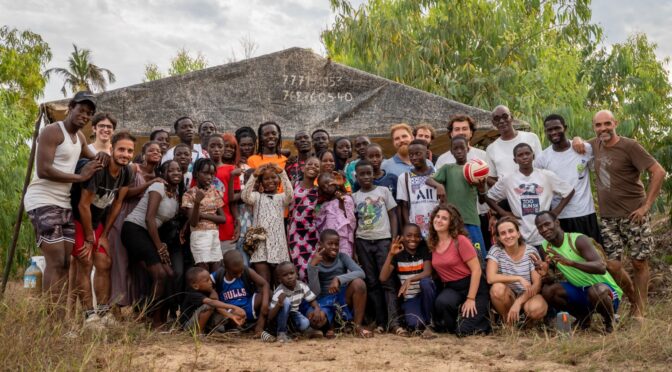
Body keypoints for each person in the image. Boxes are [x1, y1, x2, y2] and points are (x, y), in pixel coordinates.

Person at [573, 110, 666, 317]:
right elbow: (578, 143)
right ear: (594, 127)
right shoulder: (594, 145)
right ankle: (633, 299)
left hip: (634, 215)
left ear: (615, 123)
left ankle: (639, 311)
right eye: (598, 125)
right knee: (613, 265)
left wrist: (646, 206)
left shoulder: (630, 146)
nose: (603, 128)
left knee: (638, 262)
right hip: (608, 217)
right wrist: (577, 139)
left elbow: (658, 171)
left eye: (607, 123)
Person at [25, 91, 103, 307]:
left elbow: (95, 157)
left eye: (89, 113)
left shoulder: (79, 138)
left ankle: (60, 320)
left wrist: (107, 158)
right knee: (56, 260)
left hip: (63, 202)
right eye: (82, 110)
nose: (85, 115)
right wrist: (80, 176)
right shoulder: (53, 131)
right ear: (71, 107)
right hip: (42, 199)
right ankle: (51, 321)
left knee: (66, 262)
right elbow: (43, 170)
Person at [69, 131, 135, 325]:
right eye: (121, 149)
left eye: (130, 151)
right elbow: (83, 205)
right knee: (85, 261)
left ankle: (104, 312)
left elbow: (117, 204)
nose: (125, 154)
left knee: (105, 262)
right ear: (112, 149)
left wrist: (104, 234)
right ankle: (90, 316)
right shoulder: (99, 169)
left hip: (96, 222)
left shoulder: (127, 172)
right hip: (78, 219)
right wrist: (90, 238)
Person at [534, 211, 623, 332]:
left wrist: (572, 263)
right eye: (540, 227)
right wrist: (545, 274)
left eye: (547, 224)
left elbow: (601, 267)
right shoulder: (545, 248)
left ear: (557, 222)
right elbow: (552, 279)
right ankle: (584, 319)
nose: (544, 229)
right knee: (548, 290)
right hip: (581, 292)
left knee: (596, 291)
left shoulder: (577, 239)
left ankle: (610, 322)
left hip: (605, 292)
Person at [103, 141, 164, 308]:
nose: (156, 153)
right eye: (151, 150)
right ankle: (115, 304)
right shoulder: (133, 169)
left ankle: (136, 304)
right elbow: (124, 193)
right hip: (123, 215)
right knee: (120, 261)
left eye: (159, 151)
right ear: (143, 154)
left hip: (143, 222)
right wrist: (148, 184)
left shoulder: (159, 174)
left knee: (138, 266)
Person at [121, 160, 182, 327]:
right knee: (160, 274)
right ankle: (148, 317)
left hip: (149, 235)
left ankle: (160, 317)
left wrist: (162, 244)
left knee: (169, 274)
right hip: (134, 229)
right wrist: (159, 247)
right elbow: (149, 219)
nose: (176, 172)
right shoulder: (158, 187)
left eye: (179, 170)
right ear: (163, 174)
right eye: (171, 170)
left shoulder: (175, 196)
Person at [485, 143, 574, 250]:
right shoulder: (508, 179)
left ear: (533, 156)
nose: (525, 157)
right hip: (521, 235)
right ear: (515, 160)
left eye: (527, 153)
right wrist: (503, 213)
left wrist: (555, 212)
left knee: (548, 263)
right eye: (520, 155)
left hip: (545, 235)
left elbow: (569, 191)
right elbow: (489, 197)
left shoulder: (546, 175)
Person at [535, 114, 602, 243]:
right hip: (559, 217)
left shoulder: (583, 148)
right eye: (549, 130)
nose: (554, 132)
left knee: (595, 253)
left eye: (557, 128)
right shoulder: (542, 158)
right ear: (545, 132)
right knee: (567, 258)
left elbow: (598, 167)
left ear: (565, 128)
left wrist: (578, 139)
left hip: (585, 213)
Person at [352, 160, 402, 334]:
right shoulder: (354, 197)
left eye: (369, 173)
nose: (366, 177)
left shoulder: (384, 191)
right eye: (362, 174)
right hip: (363, 242)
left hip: (383, 241)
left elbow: (393, 214)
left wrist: (393, 238)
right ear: (356, 177)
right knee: (372, 283)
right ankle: (381, 322)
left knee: (387, 282)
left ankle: (394, 323)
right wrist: (354, 249)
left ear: (374, 174)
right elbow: (353, 223)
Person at [429, 205, 491, 336]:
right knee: (442, 302)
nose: (439, 220)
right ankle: (456, 323)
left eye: (444, 218)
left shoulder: (460, 240)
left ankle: (482, 321)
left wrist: (470, 298)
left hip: (474, 286)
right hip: (453, 287)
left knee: (463, 331)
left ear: (451, 223)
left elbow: (476, 270)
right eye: (437, 216)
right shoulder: (432, 242)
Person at [434, 114, 493, 250]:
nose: (461, 132)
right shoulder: (443, 160)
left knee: (478, 249)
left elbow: (487, 185)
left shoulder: (482, 156)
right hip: (454, 216)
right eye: (457, 129)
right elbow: (437, 183)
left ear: (471, 132)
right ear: (451, 133)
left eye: (465, 128)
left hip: (478, 213)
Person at [427, 136, 487, 262]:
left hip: (471, 220)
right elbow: (428, 179)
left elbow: (482, 201)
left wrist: (482, 189)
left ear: (468, 149)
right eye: (455, 148)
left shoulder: (475, 169)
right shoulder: (447, 168)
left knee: (478, 255)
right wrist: (439, 186)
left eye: (462, 148)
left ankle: (482, 279)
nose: (459, 151)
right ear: (451, 151)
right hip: (452, 223)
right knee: (456, 256)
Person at [307, 229, 372, 338]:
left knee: (359, 284)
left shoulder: (342, 257)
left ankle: (357, 326)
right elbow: (315, 292)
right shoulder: (314, 262)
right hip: (324, 301)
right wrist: (312, 267)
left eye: (336, 244)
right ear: (320, 244)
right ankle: (334, 326)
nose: (334, 247)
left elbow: (361, 273)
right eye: (330, 244)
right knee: (316, 321)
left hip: (341, 299)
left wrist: (338, 279)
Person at [486, 217, 547, 325]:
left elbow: (537, 284)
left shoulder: (531, 251)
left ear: (518, 233)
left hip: (528, 295)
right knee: (497, 289)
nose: (508, 236)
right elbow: (490, 278)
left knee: (536, 308)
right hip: (509, 297)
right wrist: (518, 278)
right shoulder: (496, 250)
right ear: (499, 238)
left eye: (511, 231)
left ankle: (528, 325)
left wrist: (519, 302)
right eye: (503, 233)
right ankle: (509, 324)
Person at [379, 224, 436, 337]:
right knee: (414, 325)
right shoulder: (398, 255)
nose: (413, 239)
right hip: (410, 299)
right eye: (409, 235)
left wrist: (409, 279)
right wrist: (391, 254)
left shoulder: (424, 250)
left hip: (425, 296)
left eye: (416, 236)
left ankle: (430, 323)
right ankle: (424, 324)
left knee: (426, 282)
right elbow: (383, 278)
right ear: (402, 237)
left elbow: (427, 272)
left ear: (420, 237)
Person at [241, 163, 293, 284]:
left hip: (278, 245)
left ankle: (278, 303)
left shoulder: (281, 198)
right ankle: (265, 302)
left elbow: (290, 195)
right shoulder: (257, 197)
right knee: (264, 282)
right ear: (261, 182)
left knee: (280, 282)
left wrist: (283, 173)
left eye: (273, 177)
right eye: (266, 178)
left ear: (278, 180)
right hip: (260, 245)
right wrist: (254, 176)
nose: (270, 181)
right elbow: (245, 196)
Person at [212, 250, 270, 337]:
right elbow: (205, 283)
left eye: (241, 271)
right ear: (226, 268)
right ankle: (234, 328)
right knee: (229, 317)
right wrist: (212, 292)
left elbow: (264, 284)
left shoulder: (247, 270)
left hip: (248, 304)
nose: (239, 275)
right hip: (231, 309)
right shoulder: (218, 275)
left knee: (268, 294)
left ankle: (259, 328)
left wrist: (265, 305)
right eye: (235, 273)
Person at [183, 158, 227, 272]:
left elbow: (223, 219)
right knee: (203, 271)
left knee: (216, 271)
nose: (209, 177)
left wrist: (202, 215)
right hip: (199, 235)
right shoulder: (189, 194)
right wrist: (197, 202)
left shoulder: (214, 192)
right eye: (206, 173)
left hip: (214, 235)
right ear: (197, 173)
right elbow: (193, 222)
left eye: (212, 174)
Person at [268, 262, 325, 342]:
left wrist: (317, 309)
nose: (289, 277)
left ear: (297, 274)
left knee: (305, 323)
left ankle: (294, 331)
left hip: (293, 314)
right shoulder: (279, 292)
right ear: (279, 279)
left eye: (292, 273)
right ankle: (281, 333)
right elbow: (270, 316)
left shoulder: (302, 286)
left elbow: (312, 300)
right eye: (285, 275)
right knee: (286, 301)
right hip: (280, 317)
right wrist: (279, 304)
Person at [179, 266, 245, 334]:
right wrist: (234, 307)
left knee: (224, 315)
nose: (210, 282)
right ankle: (198, 333)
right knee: (209, 306)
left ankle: (224, 328)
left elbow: (218, 307)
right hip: (188, 325)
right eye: (207, 281)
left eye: (210, 279)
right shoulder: (192, 294)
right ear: (196, 286)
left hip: (201, 321)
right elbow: (211, 303)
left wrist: (232, 316)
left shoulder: (207, 290)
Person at [485, 105, 542, 182]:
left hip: (534, 189)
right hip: (506, 193)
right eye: (497, 119)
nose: (501, 121)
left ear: (511, 117)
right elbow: (491, 178)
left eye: (505, 116)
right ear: (493, 123)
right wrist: (504, 190)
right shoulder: (491, 149)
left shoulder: (531, 137)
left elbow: (541, 166)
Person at [287, 156, 321, 281]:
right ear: (303, 168)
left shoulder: (319, 191)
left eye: (316, 166)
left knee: (313, 269)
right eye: (309, 164)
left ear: (319, 171)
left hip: (312, 234)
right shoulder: (293, 185)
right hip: (294, 233)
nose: (312, 167)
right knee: (299, 272)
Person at [396, 139, 438, 238]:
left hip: (437, 227)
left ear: (427, 154)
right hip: (417, 230)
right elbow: (404, 206)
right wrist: (409, 227)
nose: (414, 157)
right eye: (411, 155)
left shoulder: (438, 174)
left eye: (418, 154)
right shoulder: (404, 178)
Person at [208, 134, 241, 255]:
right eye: (212, 146)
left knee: (227, 262)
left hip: (226, 224)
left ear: (223, 149)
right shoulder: (200, 168)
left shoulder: (231, 169)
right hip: (205, 224)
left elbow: (233, 202)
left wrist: (237, 220)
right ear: (206, 148)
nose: (216, 149)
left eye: (220, 146)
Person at [316, 172, 356, 257]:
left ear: (335, 181)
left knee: (345, 262)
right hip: (329, 243)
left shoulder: (346, 198)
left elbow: (350, 220)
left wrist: (341, 201)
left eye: (328, 182)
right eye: (323, 186)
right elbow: (320, 225)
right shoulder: (325, 204)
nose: (326, 187)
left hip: (343, 240)